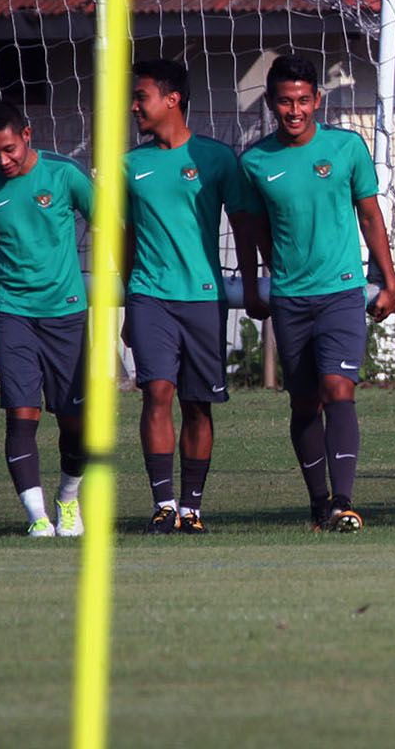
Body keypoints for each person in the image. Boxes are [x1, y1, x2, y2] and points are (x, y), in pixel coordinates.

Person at [238, 53, 395, 531]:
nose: (295, 111)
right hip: (290, 298)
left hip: (342, 293)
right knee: (305, 402)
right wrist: (255, 284)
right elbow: (251, 230)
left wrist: (389, 280)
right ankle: (318, 504)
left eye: (303, 100)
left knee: (338, 388)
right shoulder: (254, 162)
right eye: (285, 102)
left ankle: (344, 501)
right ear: (271, 103)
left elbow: (370, 216)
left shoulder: (346, 148)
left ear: (317, 100)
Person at [124, 59, 258, 533]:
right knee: (156, 392)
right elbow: (125, 237)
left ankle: (192, 509)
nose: (134, 106)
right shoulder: (129, 165)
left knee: (197, 404)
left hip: (203, 298)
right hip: (149, 296)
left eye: (141, 97)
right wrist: (127, 301)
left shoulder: (216, 158)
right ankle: (163, 505)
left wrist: (251, 283)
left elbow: (243, 225)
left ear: (172, 99)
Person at [0, 103, 92, 537]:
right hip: (13, 312)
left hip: (66, 313)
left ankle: (68, 500)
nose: (2, 160)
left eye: (9, 149)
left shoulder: (64, 174)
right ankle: (37, 518)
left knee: (75, 422)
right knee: (21, 414)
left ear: (27, 135)